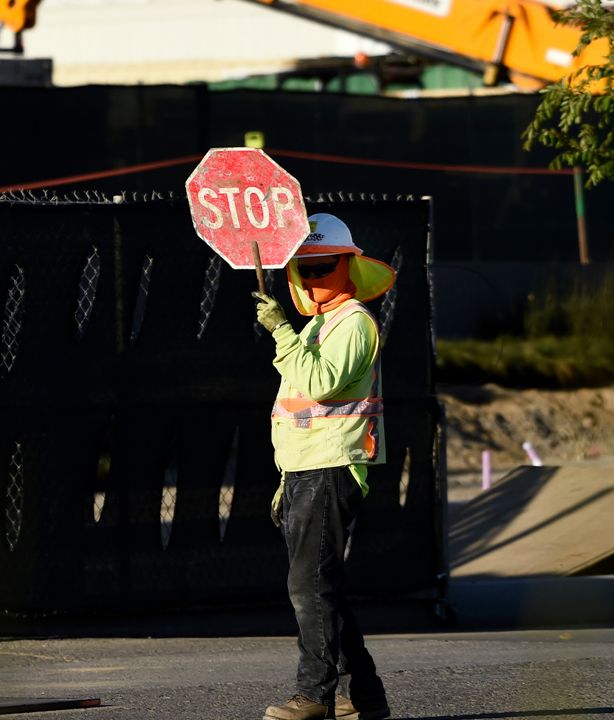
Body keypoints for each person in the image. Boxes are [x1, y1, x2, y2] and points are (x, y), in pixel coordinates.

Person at [252, 213, 396, 720]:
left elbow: (320, 384)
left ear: (348, 266)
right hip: (306, 470)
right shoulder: (320, 324)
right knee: (321, 587)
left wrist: (281, 334)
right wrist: (285, 477)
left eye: (324, 266)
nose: (313, 278)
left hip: (330, 469)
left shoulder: (353, 321)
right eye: (305, 268)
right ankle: (362, 697)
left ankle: (314, 696)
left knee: (309, 588)